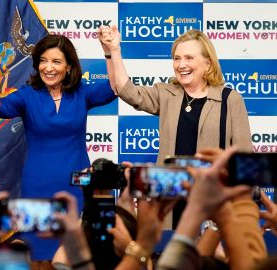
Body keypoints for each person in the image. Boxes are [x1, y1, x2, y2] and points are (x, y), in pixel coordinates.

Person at [0, 34, 117, 260]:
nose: (48, 67)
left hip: (78, 186)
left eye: (56, 62)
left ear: (69, 67)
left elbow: (115, 87)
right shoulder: (28, 95)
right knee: (38, 252)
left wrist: (112, 52)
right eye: (43, 60)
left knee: (78, 251)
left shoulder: (82, 92)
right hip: (37, 185)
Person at [98, 27, 253, 228]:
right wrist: (113, 51)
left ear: (208, 63)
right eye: (177, 58)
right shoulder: (166, 94)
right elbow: (125, 90)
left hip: (213, 208)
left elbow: (245, 159)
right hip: (169, 207)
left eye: (189, 58)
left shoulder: (230, 99)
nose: (181, 65)